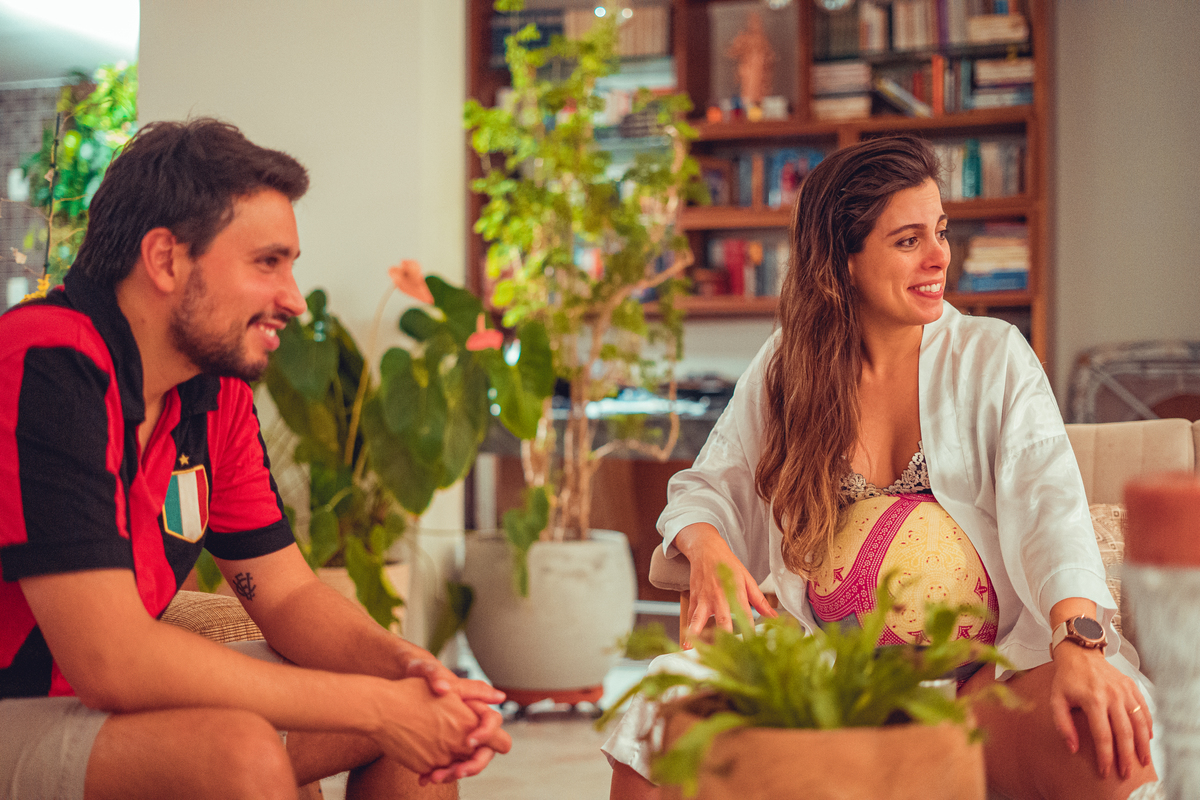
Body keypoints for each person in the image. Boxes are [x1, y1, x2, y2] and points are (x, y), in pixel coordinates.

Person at [604, 136, 1159, 800]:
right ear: (841, 261)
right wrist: (709, 547)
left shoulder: (991, 354)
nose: (939, 257)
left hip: (989, 681)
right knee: (651, 721)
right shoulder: (790, 366)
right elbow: (705, 487)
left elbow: (1050, 509)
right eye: (907, 241)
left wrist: (1078, 643)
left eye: (941, 232)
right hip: (831, 686)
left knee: (1108, 735)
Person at [0, 118, 511, 800]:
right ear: (165, 259)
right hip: (20, 702)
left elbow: (288, 592)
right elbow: (112, 660)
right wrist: (379, 708)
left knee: (402, 707)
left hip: (88, 708)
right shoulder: (45, 362)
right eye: (267, 263)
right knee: (236, 751)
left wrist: (411, 672)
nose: (293, 299)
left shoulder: (212, 393)